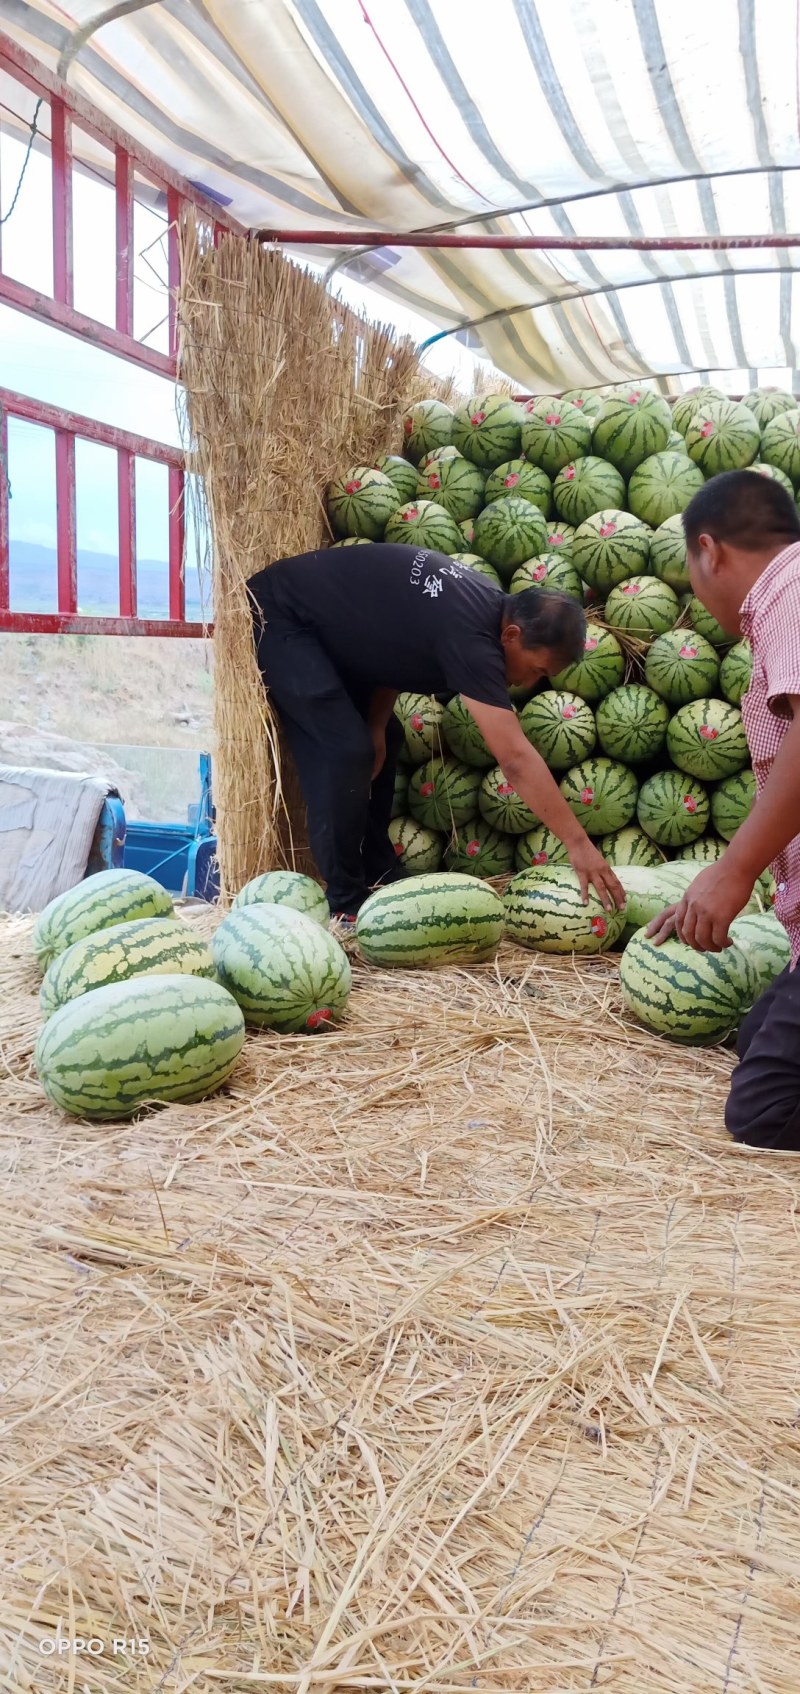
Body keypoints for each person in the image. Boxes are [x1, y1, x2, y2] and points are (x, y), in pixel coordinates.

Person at [248, 542, 625, 920]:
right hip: (280, 615)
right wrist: (578, 845)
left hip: (324, 628)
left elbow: (393, 646)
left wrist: (378, 725)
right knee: (346, 751)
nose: (528, 682)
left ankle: (379, 870)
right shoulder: (474, 639)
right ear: (511, 635)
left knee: (384, 739)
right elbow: (514, 759)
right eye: (537, 670)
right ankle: (345, 901)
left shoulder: (487, 606)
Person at [646, 471, 800, 1150]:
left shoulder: (791, 589)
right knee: (752, 1036)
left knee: (763, 1110)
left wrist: (736, 872)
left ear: (709, 550)